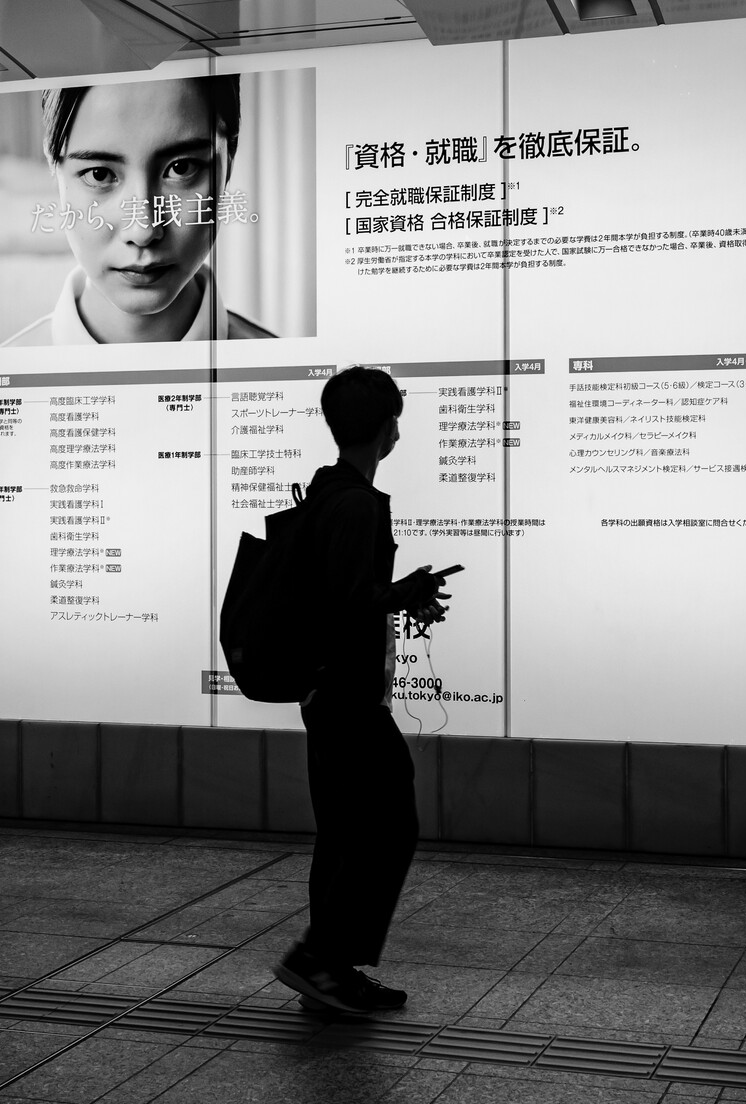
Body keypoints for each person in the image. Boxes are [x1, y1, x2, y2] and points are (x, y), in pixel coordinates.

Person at [273, 366, 455, 1014]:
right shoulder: (354, 502)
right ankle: (319, 958)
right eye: (396, 419)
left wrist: (402, 595)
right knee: (388, 822)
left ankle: (328, 974)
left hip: (327, 691)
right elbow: (349, 602)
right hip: (347, 694)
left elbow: (343, 592)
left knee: (347, 830)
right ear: (385, 428)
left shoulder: (329, 493)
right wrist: (403, 592)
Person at [35, 75, 272, 344]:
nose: (143, 231)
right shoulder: (8, 363)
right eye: (100, 174)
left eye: (181, 168)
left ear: (229, 160)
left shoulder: (287, 365)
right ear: (53, 165)